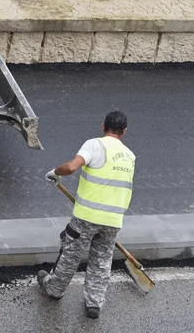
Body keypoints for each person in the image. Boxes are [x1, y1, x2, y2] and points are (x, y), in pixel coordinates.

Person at [38, 110, 136, 319]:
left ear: (103, 127)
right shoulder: (130, 156)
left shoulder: (95, 144)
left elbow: (72, 167)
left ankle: (55, 289)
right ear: (124, 131)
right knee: (101, 260)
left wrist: (55, 173)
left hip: (87, 216)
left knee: (71, 253)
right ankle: (94, 304)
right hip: (113, 220)